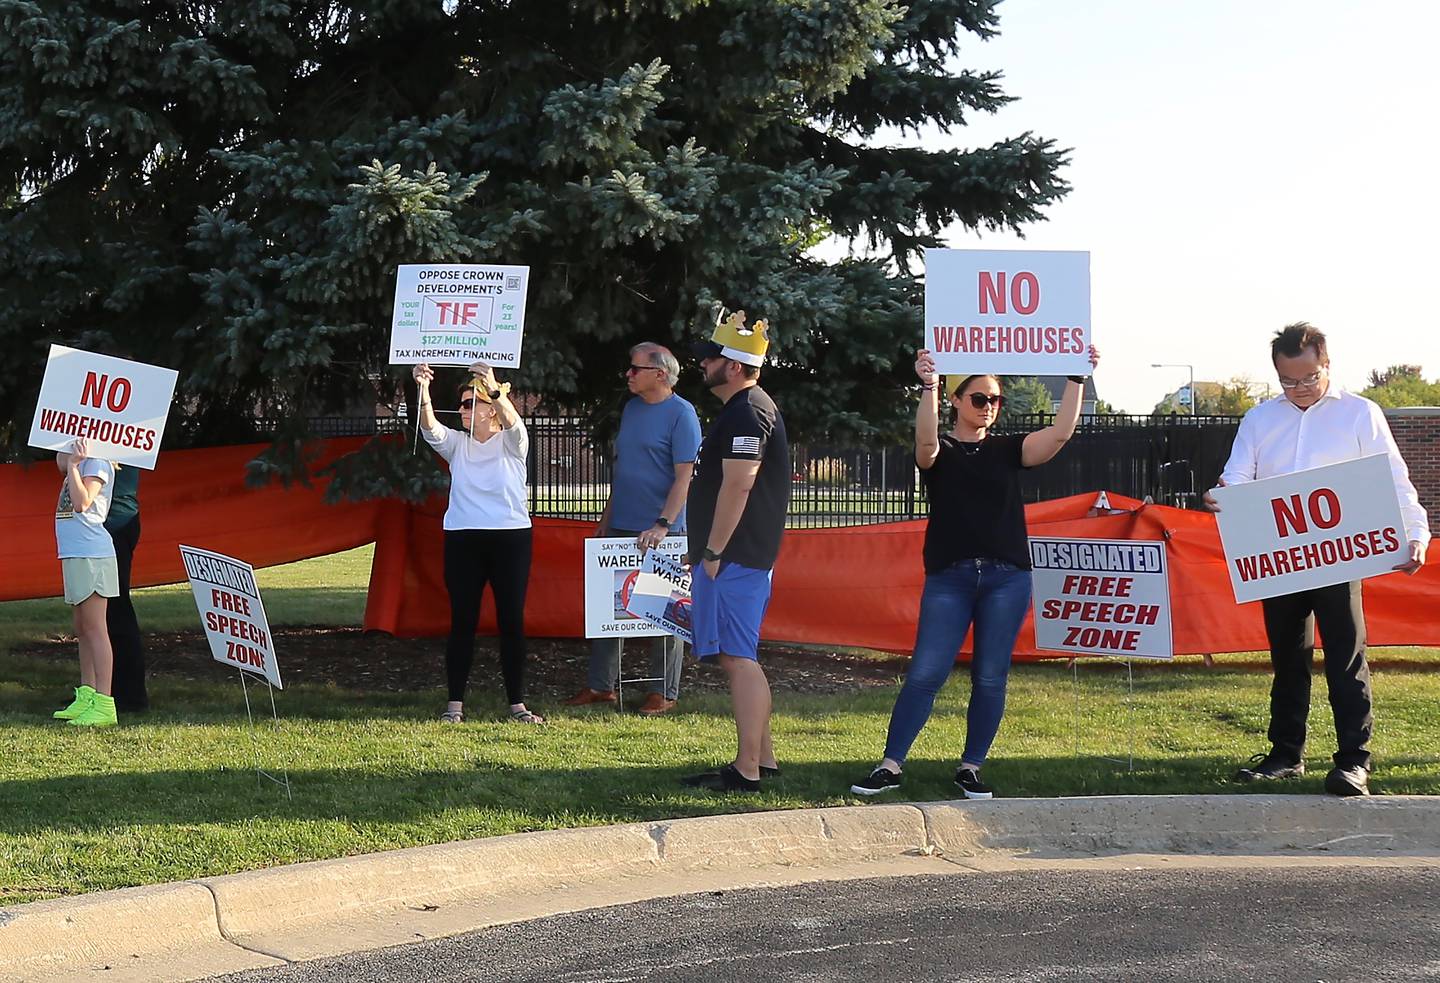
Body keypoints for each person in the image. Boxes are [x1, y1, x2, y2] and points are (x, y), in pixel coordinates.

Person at [850, 345, 1100, 800]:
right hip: (951, 577)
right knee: (926, 673)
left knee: (990, 676)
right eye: (979, 399)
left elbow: (1061, 434)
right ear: (956, 401)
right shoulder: (941, 449)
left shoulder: (1009, 450)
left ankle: (971, 767)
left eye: (995, 400)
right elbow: (924, 447)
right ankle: (890, 764)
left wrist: (1077, 377)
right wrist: (927, 385)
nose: (989, 408)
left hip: (1007, 578)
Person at [1204, 322, 1428, 797]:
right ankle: (1285, 754)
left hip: (1337, 557)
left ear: (1327, 365)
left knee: (1346, 657)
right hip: (1278, 555)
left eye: (1308, 378)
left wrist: (1415, 533)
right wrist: (1225, 494)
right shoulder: (1260, 420)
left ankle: (1353, 761)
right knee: (1288, 659)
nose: (1300, 390)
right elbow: (1239, 474)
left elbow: (1393, 477)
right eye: (1288, 381)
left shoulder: (1360, 415)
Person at [679, 310, 790, 793]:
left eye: (713, 358)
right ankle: (761, 759)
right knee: (738, 654)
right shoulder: (743, 408)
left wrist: (713, 550)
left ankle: (746, 769)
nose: (704, 365)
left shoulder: (749, 410)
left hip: (735, 556)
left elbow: (738, 487)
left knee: (736, 657)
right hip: (737, 555)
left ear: (737, 367)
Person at [566, 343, 702, 715]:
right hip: (620, 527)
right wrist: (604, 526)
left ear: (660, 374)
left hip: (661, 532)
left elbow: (684, 477)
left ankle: (664, 691)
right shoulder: (632, 408)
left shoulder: (682, 414)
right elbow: (623, 474)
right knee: (607, 610)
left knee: (664, 612)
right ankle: (601, 686)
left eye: (634, 368)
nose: (628, 374)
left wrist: (663, 524)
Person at [413, 361, 543, 725]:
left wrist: (494, 386)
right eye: (462, 402)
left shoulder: (512, 442)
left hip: (511, 539)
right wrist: (422, 387)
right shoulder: (458, 444)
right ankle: (454, 705)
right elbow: (430, 428)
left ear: (491, 409)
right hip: (463, 539)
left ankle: (517, 704)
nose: (464, 409)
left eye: (472, 403)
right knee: (463, 620)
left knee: (511, 620)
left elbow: (514, 422)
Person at [51, 437, 120, 728]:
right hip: (76, 553)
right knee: (82, 628)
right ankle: (87, 694)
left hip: (92, 554)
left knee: (95, 629)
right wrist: (70, 457)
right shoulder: (80, 458)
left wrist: (76, 466)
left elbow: (82, 503)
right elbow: (59, 461)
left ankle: (105, 703)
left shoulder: (99, 462)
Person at [105, 462, 148, 712]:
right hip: (105, 523)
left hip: (115, 523)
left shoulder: (119, 431)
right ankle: (102, 691)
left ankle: (130, 696)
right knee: (102, 614)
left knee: (116, 608)